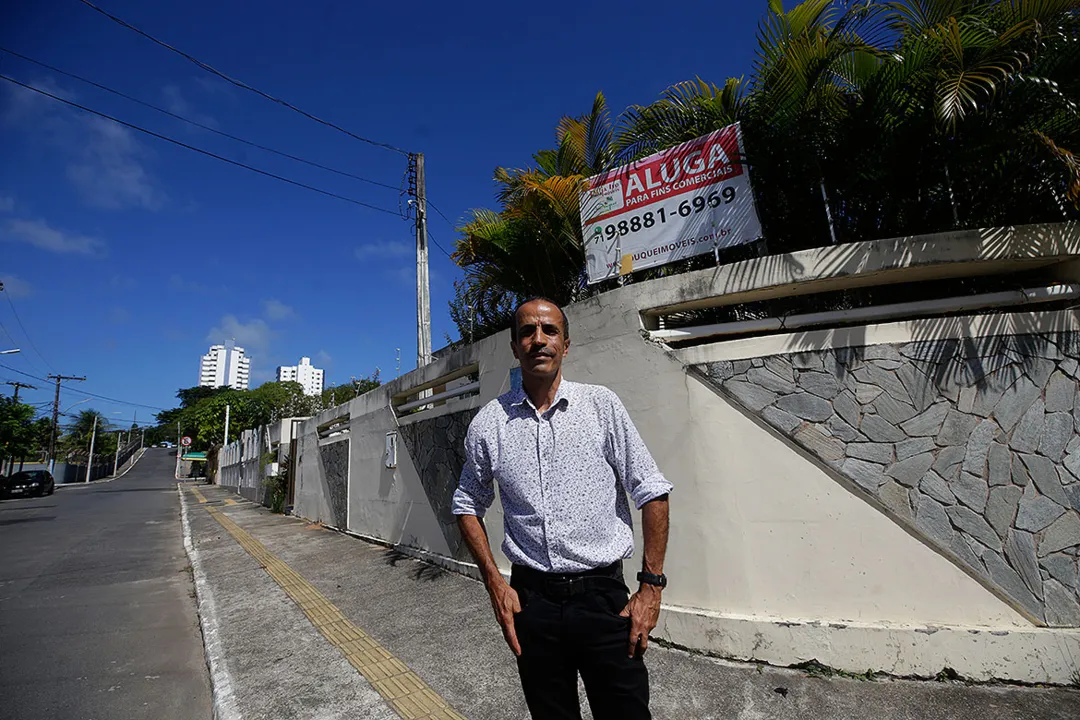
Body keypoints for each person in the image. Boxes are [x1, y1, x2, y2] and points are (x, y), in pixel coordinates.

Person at [451, 297, 672, 719]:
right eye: (527, 332)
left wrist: (650, 587)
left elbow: (652, 490)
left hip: (605, 600)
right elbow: (465, 505)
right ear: (515, 347)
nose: (539, 340)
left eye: (549, 330)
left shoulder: (600, 406)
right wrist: (496, 586)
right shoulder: (490, 424)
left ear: (565, 345)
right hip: (533, 604)